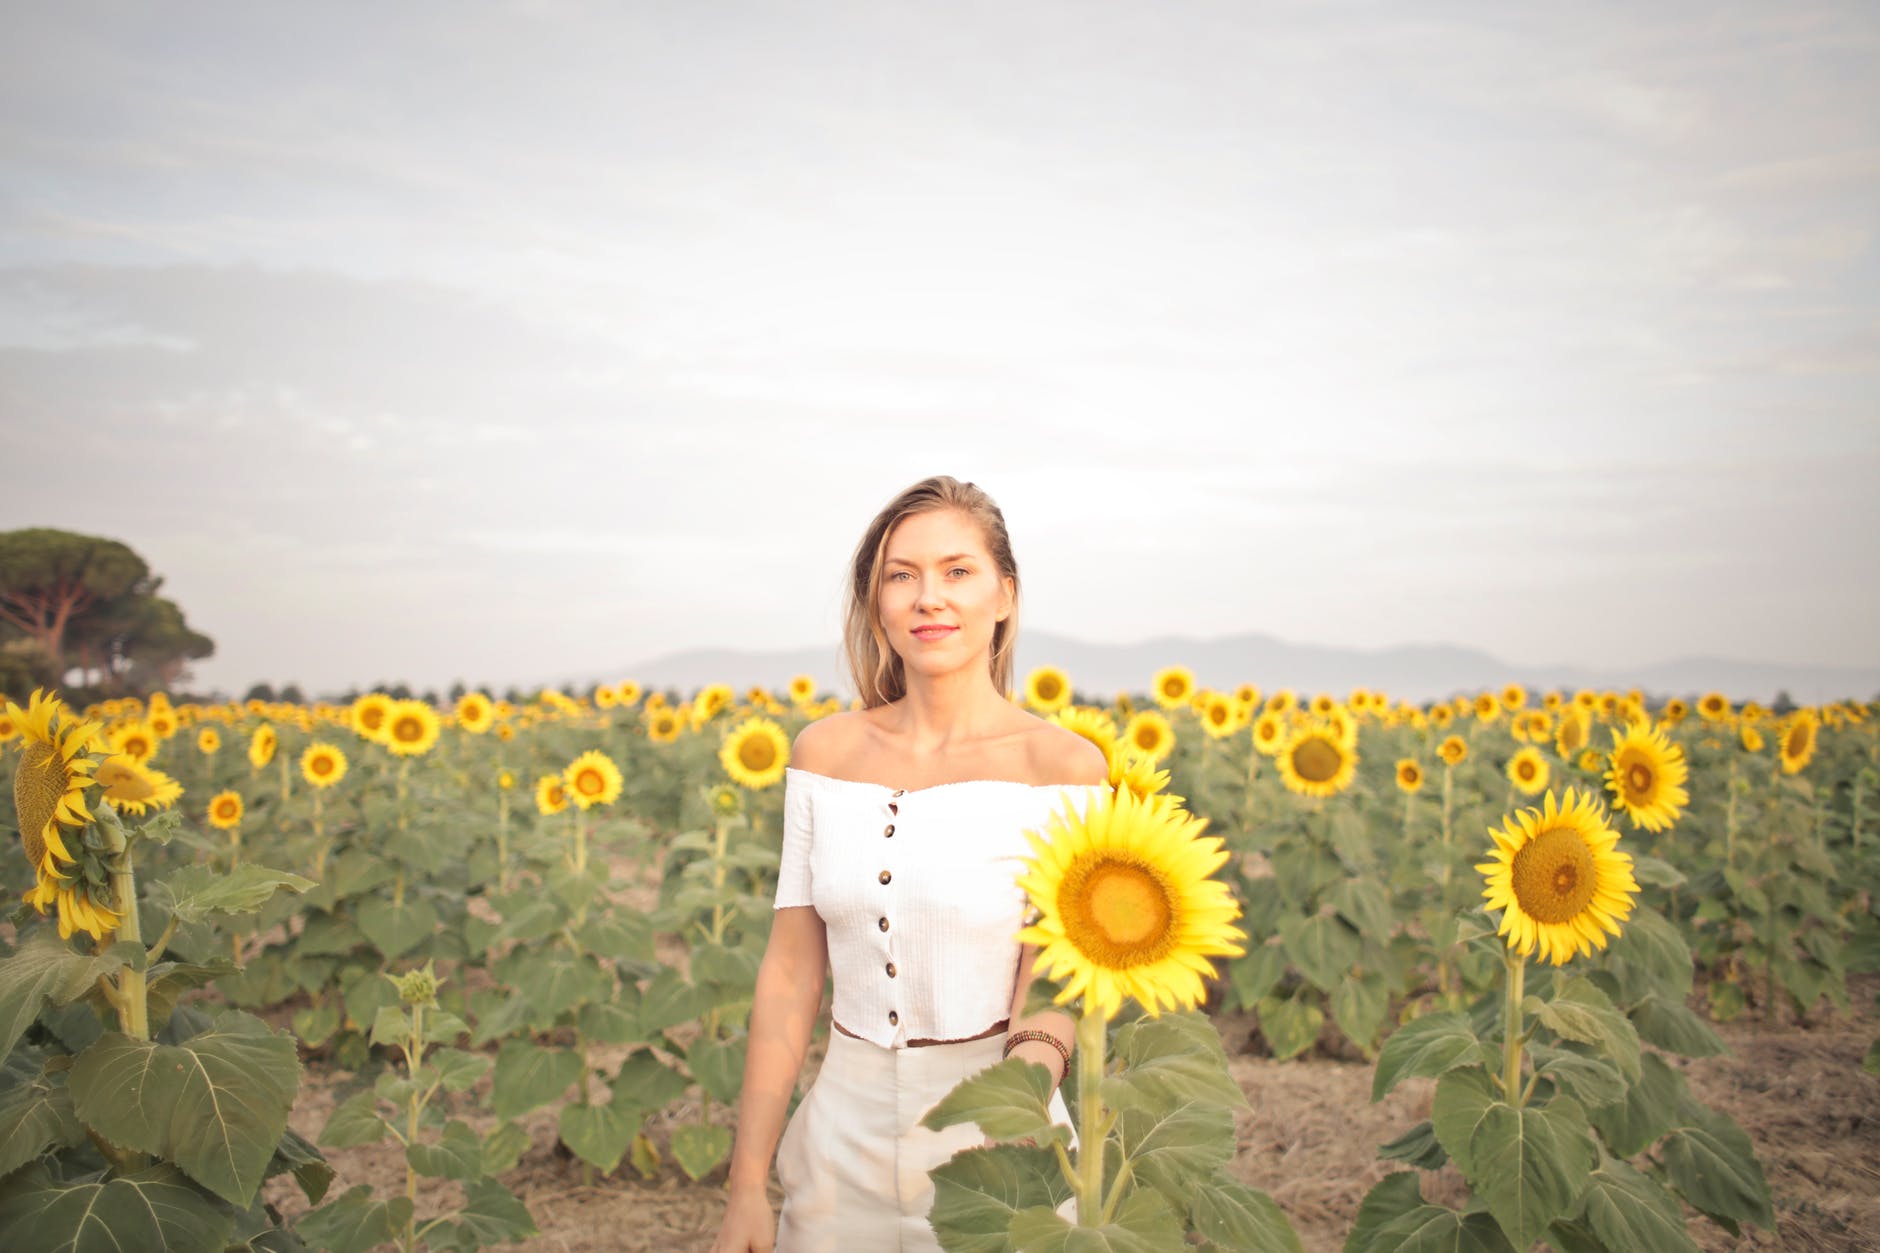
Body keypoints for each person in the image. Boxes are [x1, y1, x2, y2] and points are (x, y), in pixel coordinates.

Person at [709, 475, 1110, 1253]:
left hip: (998, 1132)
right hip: (838, 1135)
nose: (930, 597)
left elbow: (1055, 973)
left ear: (1005, 596)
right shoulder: (823, 754)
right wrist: (745, 1183)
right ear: (876, 601)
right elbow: (791, 974)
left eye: (958, 571)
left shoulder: (1063, 766)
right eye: (902, 575)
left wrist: (1020, 1102)